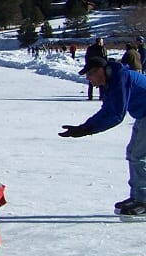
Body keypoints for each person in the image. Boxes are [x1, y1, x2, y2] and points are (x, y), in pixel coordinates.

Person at [59, 56, 146, 217]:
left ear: (100, 71)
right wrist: (84, 127)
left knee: (137, 155)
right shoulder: (110, 82)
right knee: (135, 154)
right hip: (143, 115)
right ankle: (139, 197)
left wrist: (87, 130)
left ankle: (143, 199)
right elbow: (107, 110)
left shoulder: (121, 78)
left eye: (90, 74)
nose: (88, 79)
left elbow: (116, 115)